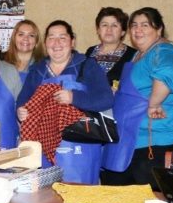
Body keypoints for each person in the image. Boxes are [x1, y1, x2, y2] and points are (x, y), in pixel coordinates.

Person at [16, 20, 113, 184]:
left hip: (81, 147)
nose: (56, 43)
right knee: (48, 195)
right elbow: (22, 100)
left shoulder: (86, 65)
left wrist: (74, 98)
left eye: (62, 38)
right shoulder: (37, 70)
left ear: (72, 41)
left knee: (80, 195)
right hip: (45, 148)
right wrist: (20, 111)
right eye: (51, 38)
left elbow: (106, 99)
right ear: (45, 43)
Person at [102, 7, 173, 188]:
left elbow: (167, 76)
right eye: (134, 25)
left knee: (146, 200)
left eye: (145, 25)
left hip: (152, 142)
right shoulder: (138, 55)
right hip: (128, 140)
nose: (138, 30)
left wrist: (154, 104)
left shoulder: (164, 51)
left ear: (159, 29)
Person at [85, 7, 137, 91]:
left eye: (114, 25)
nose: (109, 29)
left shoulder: (133, 55)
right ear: (98, 30)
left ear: (123, 32)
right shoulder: (90, 51)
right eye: (104, 25)